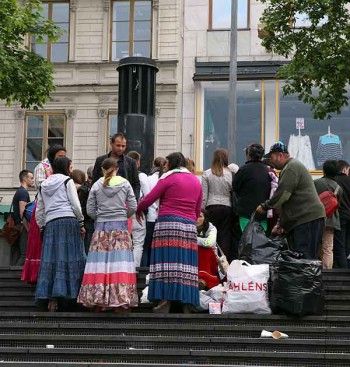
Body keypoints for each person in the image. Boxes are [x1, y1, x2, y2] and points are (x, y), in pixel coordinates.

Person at [136, 152, 202, 313]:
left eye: (165, 164)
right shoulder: (195, 180)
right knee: (186, 264)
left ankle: (165, 300)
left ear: (171, 164)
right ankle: (187, 300)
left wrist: (137, 209)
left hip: (168, 224)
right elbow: (198, 207)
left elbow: (150, 198)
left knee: (166, 263)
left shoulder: (168, 178)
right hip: (188, 226)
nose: (163, 167)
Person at [77, 158, 138, 312]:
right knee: (119, 265)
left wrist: (100, 216)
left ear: (103, 169)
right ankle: (120, 300)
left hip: (101, 229)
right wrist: (123, 215)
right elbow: (133, 206)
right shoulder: (125, 183)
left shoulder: (97, 185)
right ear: (116, 168)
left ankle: (99, 299)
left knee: (101, 265)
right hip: (120, 229)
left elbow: (89, 209)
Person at [256, 141, 325, 260]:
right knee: (301, 258)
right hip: (305, 219)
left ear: (280, 155)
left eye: (272, 157)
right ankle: (304, 278)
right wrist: (280, 223)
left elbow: (282, 195)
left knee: (304, 258)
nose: (271, 162)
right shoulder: (289, 167)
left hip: (306, 219)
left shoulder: (291, 168)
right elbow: (286, 202)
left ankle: (305, 279)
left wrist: (264, 207)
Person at [35, 157, 86, 312]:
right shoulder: (67, 181)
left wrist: (42, 225)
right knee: (71, 257)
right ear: (66, 167)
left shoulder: (43, 184)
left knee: (52, 259)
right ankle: (71, 297)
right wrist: (81, 221)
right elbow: (75, 204)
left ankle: (50, 297)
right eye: (70, 166)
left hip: (51, 223)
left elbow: (40, 209)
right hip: (68, 221)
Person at [21, 145, 67, 284]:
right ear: (53, 156)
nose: (62, 159)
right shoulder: (42, 167)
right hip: (44, 207)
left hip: (58, 208)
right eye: (60, 156)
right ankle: (38, 275)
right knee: (39, 242)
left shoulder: (62, 168)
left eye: (63, 156)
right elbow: (41, 187)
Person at [201, 148, 235, 262]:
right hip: (226, 207)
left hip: (211, 207)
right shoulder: (230, 174)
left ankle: (212, 260)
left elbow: (204, 196)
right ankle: (224, 262)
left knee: (211, 234)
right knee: (225, 236)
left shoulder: (207, 173)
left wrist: (202, 211)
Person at [233, 143, 271, 232]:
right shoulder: (268, 170)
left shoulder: (244, 170)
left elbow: (235, 187)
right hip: (263, 212)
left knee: (247, 238)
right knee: (261, 238)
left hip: (245, 211)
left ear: (249, 155)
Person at [92, 132, 140, 201]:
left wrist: (133, 200)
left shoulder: (131, 162)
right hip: (104, 201)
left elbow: (136, 184)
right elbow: (94, 182)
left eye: (123, 146)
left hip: (124, 202)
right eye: (118, 145)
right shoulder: (100, 160)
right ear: (111, 144)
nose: (121, 148)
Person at [314, 160, 343, 269]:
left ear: (324, 170)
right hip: (331, 220)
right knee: (328, 247)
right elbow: (337, 204)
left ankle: (315, 270)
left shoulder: (315, 183)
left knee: (315, 245)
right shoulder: (338, 188)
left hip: (316, 218)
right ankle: (327, 271)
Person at [140, 156, 165, 267]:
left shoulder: (149, 179)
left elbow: (146, 195)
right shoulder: (164, 178)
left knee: (147, 245)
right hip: (162, 216)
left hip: (150, 215)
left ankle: (144, 268)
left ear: (153, 165)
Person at [126, 151, 149, 268]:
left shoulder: (122, 176)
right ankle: (134, 268)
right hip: (138, 211)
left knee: (125, 241)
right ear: (138, 163)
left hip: (124, 211)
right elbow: (148, 195)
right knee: (138, 242)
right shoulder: (142, 176)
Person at [11, 170, 34, 266]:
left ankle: (10, 278)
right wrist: (29, 229)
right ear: (25, 179)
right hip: (22, 227)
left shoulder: (19, 191)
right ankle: (15, 279)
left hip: (17, 226)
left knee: (18, 253)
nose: (33, 180)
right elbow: (22, 213)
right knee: (24, 254)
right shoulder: (23, 193)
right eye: (31, 178)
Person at [196, 209, 220, 291]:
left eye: (199, 216)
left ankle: (203, 279)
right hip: (193, 258)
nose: (196, 219)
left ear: (205, 218)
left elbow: (209, 243)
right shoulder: (189, 226)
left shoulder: (211, 228)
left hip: (211, 260)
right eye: (195, 216)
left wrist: (193, 239)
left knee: (205, 250)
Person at [334, 160, 350, 268]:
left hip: (339, 215)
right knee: (348, 243)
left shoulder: (334, 181)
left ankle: (342, 268)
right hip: (349, 215)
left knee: (339, 243)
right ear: (344, 169)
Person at [71, 169, 92, 255]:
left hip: (77, 221)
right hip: (87, 222)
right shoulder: (87, 188)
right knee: (86, 249)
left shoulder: (74, 189)